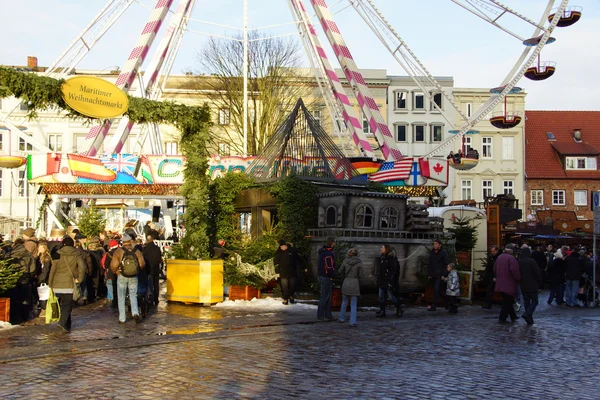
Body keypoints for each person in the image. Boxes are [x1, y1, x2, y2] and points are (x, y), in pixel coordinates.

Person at [48, 236, 86, 332]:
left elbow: (53, 270)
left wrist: (50, 283)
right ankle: (62, 322)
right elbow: (82, 267)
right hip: (69, 283)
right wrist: (80, 279)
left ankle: (66, 325)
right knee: (68, 304)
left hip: (57, 283)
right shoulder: (76, 254)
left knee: (63, 304)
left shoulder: (57, 254)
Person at [110, 233, 146, 324]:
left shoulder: (118, 251)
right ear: (130, 241)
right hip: (134, 276)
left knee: (121, 297)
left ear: (123, 242)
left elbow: (114, 265)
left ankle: (122, 318)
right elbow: (142, 264)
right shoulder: (136, 251)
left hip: (122, 275)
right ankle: (135, 313)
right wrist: (136, 270)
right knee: (133, 295)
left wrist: (116, 272)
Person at [373, 244, 402, 318]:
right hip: (382, 281)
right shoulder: (382, 258)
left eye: (382, 247)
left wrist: (390, 280)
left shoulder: (391, 259)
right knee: (381, 296)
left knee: (391, 297)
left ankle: (399, 308)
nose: (381, 249)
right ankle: (382, 311)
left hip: (387, 281)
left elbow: (393, 271)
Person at [494, 244, 521, 323]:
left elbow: (494, 269)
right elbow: (515, 271)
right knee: (507, 301)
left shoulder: (499, 257)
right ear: (511, 250)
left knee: (507, 300)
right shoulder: (511, 259)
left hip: (500, 284)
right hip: (509, 284)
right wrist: (518, 279)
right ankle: (502, 318)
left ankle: (513, 316)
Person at [337, 248, 363, 327]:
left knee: (344, 301)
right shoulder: (359, 263)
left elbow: (339, 271)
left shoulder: (345, 261)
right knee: (354, 304)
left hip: (346, 281)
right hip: (354, 282)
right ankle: (352, 321)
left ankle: (341, 318)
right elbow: (361, 275)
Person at [518, 247, 541, 325]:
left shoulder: (519, 261)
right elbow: (537, 272)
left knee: (526, 301)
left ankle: (529, 319)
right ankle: (527, 314)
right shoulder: (531, 261)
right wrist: (539, 281)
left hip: (523, 284)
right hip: (532, 284)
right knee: (535, 301)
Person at [316, 237, 336, 321]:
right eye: (334, 242)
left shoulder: (323, 252)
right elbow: (329, 266)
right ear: (332, 243)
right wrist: (332, 275)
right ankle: (321, 315)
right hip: (326, 276)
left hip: (322, 275)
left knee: (327, 296)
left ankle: (327, 314)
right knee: (325, 296)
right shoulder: (328, 253)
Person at [273, 239, 298, 305]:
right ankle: (285, 299)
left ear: (285, 245)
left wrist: (304, 267)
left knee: (293, 285)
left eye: (283, 247)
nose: (282, 248)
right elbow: (275, 263)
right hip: (283, 272)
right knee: (284, 286)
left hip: (292, 271)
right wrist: (277, 272)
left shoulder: (292, 251)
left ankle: (291, 295)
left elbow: (298, 259)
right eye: (281, 247)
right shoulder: (279, 252)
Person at [427, 239, 450, 311]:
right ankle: (448, 303)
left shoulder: (443, 253)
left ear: (440, 245)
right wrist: (430, 274)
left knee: (436, 289)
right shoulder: (432, 253)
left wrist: (444, 274)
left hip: (440, 274)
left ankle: (434, 306)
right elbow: (430, 264)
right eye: (434, 244)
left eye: (436, 244)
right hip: (434, 274)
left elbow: (447, 264)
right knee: (439, 291)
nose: (434, 245)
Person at [142, 234, 163, 306]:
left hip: (149, 270)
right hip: (156, 269)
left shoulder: (145, 249)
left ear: (147, 240)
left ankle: (150, 299)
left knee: (150, 285)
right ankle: (156, 299)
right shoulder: (157, 248)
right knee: (156, 285)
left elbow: (144, 260)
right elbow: (160, 259)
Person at [103, 240, 120, 307]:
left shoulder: (109, 254)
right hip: (120, 272)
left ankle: (115, 302)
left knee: (114, 288)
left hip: (112, 272)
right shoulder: (120, 251)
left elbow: (106, 265)